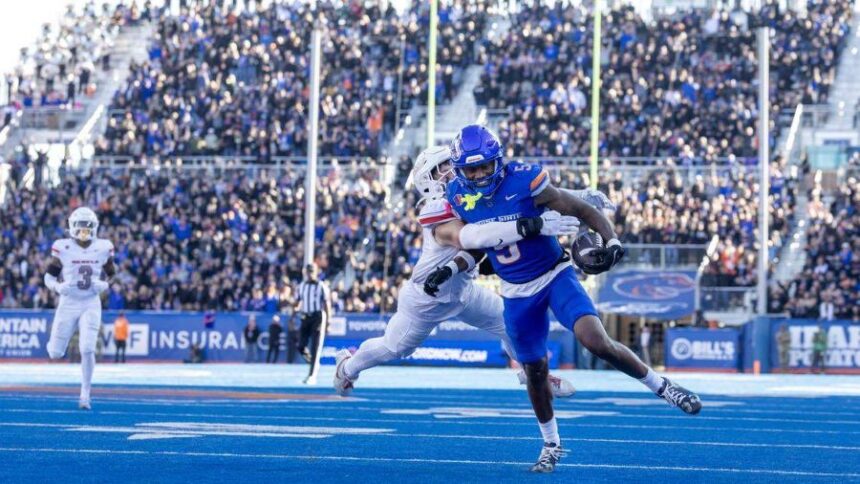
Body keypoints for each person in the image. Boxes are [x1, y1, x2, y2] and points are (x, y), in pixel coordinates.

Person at [438, 125, 702, 472]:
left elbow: (581, 209)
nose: (479, 174)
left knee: (596, 340)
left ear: (498, 160)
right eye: (471, 169)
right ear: (460, 170)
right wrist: (453, 267)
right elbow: (476, 246)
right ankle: (551, 444)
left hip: (554, 274)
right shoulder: (457, 196)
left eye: (485, 165)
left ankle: (662, 387)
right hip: (515, 291)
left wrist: (612, 240)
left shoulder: (523, 180)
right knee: (534, 371)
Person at [334, 146, 588, 397]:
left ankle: (532, 373)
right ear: (427, 180)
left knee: (509, 323)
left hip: (463, 288)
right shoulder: (435, 208)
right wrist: (530, 226)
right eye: (442, 167)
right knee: (395, 347)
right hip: (428, 297)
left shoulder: (473, 198)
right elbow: (470, 238)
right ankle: (347, 367)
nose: (451, 171)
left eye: (451, 164)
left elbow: (526, 199)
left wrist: (581, 197)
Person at [43, 207, 116, 410]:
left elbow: (112, 273)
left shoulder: (103, 247)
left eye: (88, 226)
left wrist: (106, 284)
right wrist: (58, 286)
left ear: (95, 227)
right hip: (68, 302)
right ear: (72, 227)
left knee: (87, 348)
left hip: (91, 302)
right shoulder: (62, 247)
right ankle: (55, 344)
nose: (84, 230)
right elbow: (48, 277)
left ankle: (85, 394)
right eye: (81, 226)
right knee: (55, 354)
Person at [297, 263, 331, 383]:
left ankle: (312, 375)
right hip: (305, 317)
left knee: (315, 347)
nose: (310, 274)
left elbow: (327, 303)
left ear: (316, 272)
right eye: (308, 271)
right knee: (300, 346)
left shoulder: (321, 286)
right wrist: (293, 314)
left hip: (317, 317)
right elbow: (298, 301)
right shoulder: (301, 286)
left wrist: (329, 321)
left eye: (312, 271)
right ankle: (313, 363)